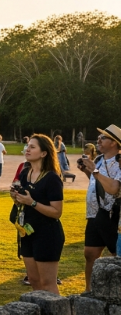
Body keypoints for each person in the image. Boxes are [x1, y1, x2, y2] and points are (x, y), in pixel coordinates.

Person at [9, 134, 64, 294]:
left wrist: (31, 202)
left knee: (48, 284)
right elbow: (23, 202)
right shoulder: (25, 173)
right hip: (27, 232)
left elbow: (56, 212)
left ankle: (57, 308)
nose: (27, 149)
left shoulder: (52, 178)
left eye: (32, 147)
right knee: (34, 280)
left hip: (47, 234)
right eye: (28, 146)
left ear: (44, 153)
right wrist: (17, 199)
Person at [77, 125, 121, 292]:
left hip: (112, 215)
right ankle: (89, 290)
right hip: (94, 213)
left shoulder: (120, 162)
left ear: (114, 143)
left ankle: (114, 293)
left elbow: (114, 188)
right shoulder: (99, 159)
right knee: (90, 253)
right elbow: (97, 182)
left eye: (103, 137)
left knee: (115, 256)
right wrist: (87, 171)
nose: (98, 140)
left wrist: (94, 171)